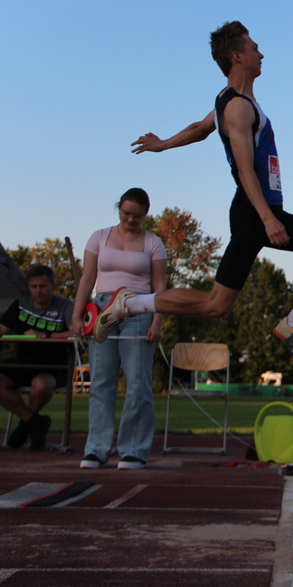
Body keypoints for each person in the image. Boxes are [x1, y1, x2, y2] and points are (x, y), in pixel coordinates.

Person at [103, 20, 293, 365]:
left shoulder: (229, 101)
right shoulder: (237, 106)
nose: (261, 53)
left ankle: (131, 304)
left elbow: (199, 129)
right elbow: (243, 167)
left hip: (257, 211)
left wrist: (162, 144)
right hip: (256, 212)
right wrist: (268, 218)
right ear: (237, 56)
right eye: (254, 48)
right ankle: (292, 324)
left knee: (217, 306)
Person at [71, 188, 167, 470]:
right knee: (101, 381)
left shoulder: (153, 243)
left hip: (138, 309)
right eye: (126, 214)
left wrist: (157, 321)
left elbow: (160, 287)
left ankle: (133, 450)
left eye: (137, 216)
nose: (131, 220)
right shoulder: (99, 237)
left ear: (145, 215)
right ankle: (97, 448)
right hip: (101, 310)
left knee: (138, 383)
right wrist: (78, 317)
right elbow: (87, 278)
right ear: (119, 209)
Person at [0, 264, 74, 450]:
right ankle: (34, 423)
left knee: (41, 385)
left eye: (43, 286)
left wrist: (47, 336)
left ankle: (25, 427)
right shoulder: (20, 305)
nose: (38, 291)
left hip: (53, 365)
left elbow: (76, 332)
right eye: (34, 286)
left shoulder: (66, 306)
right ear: (28, 287)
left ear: (53, 285)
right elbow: (1, 331)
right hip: (22, 364)